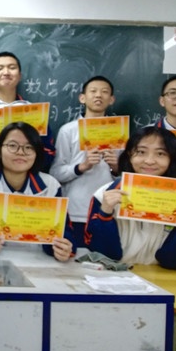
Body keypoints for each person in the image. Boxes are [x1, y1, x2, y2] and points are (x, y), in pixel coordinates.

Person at [84, 127, 176, 270]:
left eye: (160, 154)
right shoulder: (104, 195)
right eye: (141, 152)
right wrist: (105, 214)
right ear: (129, 156)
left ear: (172, 159)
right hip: (116, 274)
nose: (149, 161)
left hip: (163, 277)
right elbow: (103, 255)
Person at [0, 122, 75, 261]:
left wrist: (62, 247)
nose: (21, 152)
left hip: (38, 262)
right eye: (12, 146)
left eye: (29, 147)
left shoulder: (51, 185)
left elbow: (64, 231)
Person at [49, 76, 119, 247]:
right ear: (82, 98)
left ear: (111, 99)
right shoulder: (68, 131)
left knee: (103, 259)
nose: (98, 95)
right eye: (93, 91)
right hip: (75, 211)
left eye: (104, 92)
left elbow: (127, 176)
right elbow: (55, 173)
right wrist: (82, 166)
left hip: (108, 210)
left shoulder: (119, 132)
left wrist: (115, 167)